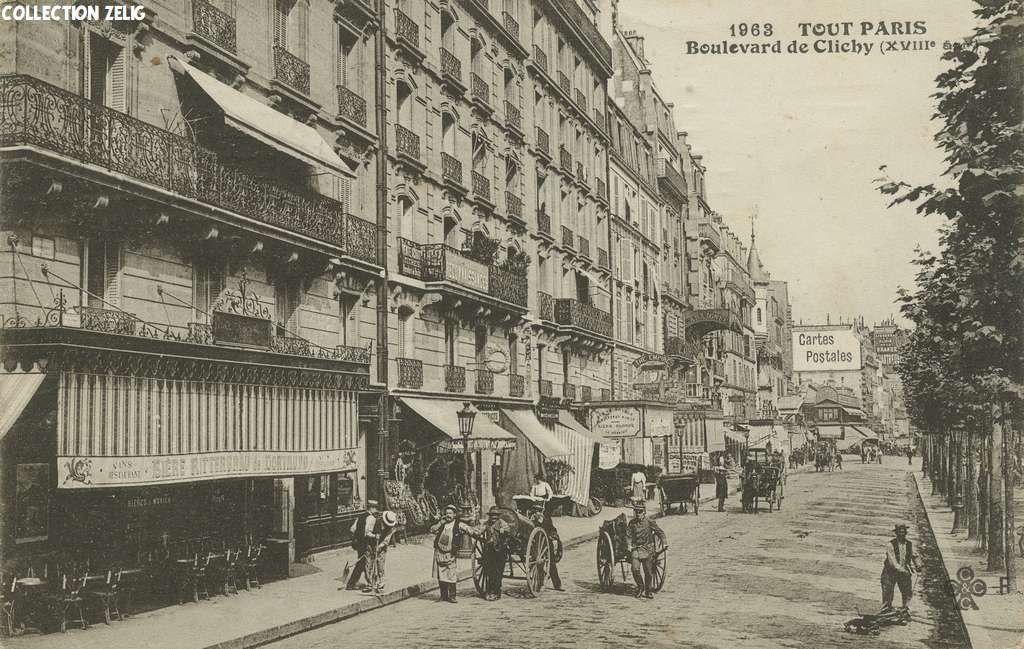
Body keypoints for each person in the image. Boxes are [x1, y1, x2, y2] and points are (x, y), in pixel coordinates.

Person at [626, 499, 666, 599]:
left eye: (640, 512)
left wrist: (664, 542)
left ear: (644, 513)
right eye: (636, 512)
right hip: (636, 549)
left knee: (648, 571)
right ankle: (640, 587)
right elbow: (628, 536)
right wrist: (629, 545)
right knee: (635, 569)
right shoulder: (632, 523)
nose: (638, 514)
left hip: (648, 549)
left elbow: (660, 532)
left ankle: (648, 590)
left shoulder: (649, 522)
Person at [881, 523, 922, 610]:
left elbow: (915, 555)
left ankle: (905, 610)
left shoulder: (909, 544)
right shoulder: (890, 544)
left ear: (906, 533)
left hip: (904, 571)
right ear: (896, 533)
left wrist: (918, 564)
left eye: (903, 532)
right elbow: (892, 561)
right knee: (887, 592)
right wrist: (902, 570)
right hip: (890, 572)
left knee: (907, 592)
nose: (902, 534)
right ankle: (886, 610)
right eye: (900, 532)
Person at [430, 505, 466, 603]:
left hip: (450, 553)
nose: (448, 515)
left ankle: (452, 596)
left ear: (454, 514)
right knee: (441, 575)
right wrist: (440, 523)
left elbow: (469, 530)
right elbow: (432, 530)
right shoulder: (442, 524)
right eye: (446, 513)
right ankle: (443, 596)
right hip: (439, 552)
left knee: (451, 574)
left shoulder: (459, 524)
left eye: (450, 513)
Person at [345, 500, 380, 591]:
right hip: (366, 544)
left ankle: (368, 582)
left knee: (362, 563)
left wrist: (356, 538)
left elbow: (352, 529)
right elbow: (367, 533)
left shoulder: (360, 516)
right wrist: (375, 536)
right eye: (375, 508)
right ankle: (352, 584)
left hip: (359, 543)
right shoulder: (371, 518)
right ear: (371, 508)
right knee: (364, 564)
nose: (376, 510)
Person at [477, 506, 511, 601]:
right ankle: (489, 590)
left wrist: (503, 540)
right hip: (489, 550)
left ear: (498, 516)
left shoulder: (503, 524)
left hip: (500, 551)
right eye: (492, 515)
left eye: (495, 516)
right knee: (489, 571)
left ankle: (496, 592)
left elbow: (508, 535)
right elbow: (479, 531)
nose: (493, 517)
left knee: (498, 572)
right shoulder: (487, 524)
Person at [529, 504, 564, 591]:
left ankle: (557, 584)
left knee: (551, 563)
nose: (537, 513)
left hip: (546, 544)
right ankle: (540, 583)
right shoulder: (530, 520)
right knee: (538, 565)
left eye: (539, 511)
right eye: (535, 511)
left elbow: (553, 530)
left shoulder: (546, 519)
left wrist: (552, 536)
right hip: (535, 545)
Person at [366, 510, 399, 594]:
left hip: (381, 547)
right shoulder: (373, 520)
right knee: (369, 564)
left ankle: (380, 584)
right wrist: (374, 536)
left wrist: (379, 547)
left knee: (380, 565)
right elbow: (367, 533)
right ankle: (370, 583)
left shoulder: (392, 527)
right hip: (370, 544)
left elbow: (386, 541)